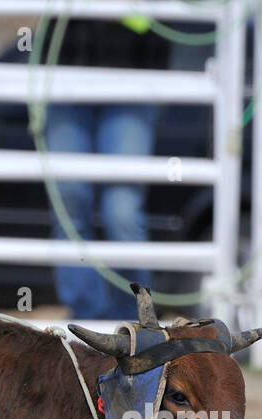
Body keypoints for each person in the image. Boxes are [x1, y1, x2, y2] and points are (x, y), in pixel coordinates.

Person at [44, 16, 168, 320]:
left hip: (132, 80)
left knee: (121, 212)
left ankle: (135, 317)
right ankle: (85, 318)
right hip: (66, 79)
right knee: (70, 203)